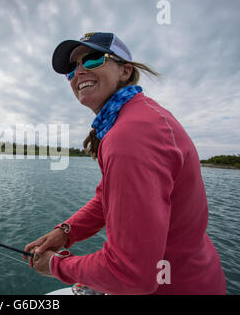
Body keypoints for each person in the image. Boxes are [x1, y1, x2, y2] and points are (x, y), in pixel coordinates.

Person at [24, 32, 226, 295]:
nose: (80, 70)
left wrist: (56, 265)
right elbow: (106, 197)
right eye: (72, 69)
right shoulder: (138, 117)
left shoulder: (129, 136)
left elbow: (130, 274)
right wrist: (66, 231)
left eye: (93, 59)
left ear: (125, 71)